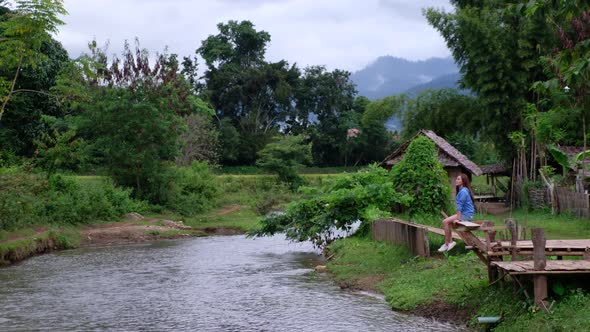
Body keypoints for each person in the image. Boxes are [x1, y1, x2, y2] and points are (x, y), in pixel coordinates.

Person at [438, 173, 475, 252]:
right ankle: (448, 243)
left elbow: (460, 208)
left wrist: (458, 219)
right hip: (466, 214)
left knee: (445, 222)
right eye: (456, 179)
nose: (456, 180)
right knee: (448, 222)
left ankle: (448, 243)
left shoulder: (463, 191)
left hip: (466, 215)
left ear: (463, 181)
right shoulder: (463, 190)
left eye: (458, 179)